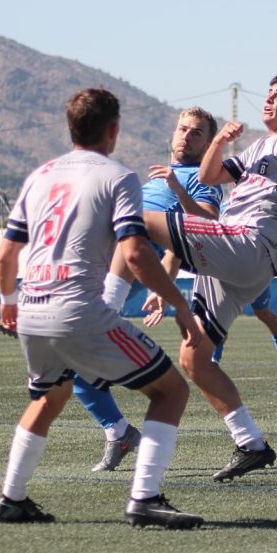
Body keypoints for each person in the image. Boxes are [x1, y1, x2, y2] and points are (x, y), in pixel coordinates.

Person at [0, 88, 204, 529]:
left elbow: (6, 255)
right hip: (78, 310)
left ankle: (12, 498)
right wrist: (180, 305)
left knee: (49, 397)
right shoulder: (118, 177)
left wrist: (8, 303)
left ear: (70, 127)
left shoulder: (40, 175)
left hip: (31, 308)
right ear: (113, 129)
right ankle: (145, 498)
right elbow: (136, 253)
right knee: (171, 391)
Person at [140, 73, 277, 482]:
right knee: (193, 358)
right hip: (235, 256)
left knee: (134, 219)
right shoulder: (258, 146)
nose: (270, 98)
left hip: (250, 242)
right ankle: (251, 444)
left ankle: (103, 305)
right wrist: (220, 141)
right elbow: (208, 177)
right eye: (270, 92)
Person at [72, 106, 222, 473]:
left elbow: (207, 223)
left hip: (138, 258)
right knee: (73, 368)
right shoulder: (151, 179)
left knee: (133, 230)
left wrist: (177, 188)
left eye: (197, 133)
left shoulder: (203, 178)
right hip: (104, 259)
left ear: (208, 145)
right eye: (183, 129)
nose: (186, 136)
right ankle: (119, 432)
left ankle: (106, 312)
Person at [210, 285, 277, 374]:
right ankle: (213, 362)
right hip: (226, 280)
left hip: (253, 278)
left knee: (263, 313)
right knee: (220, 318)